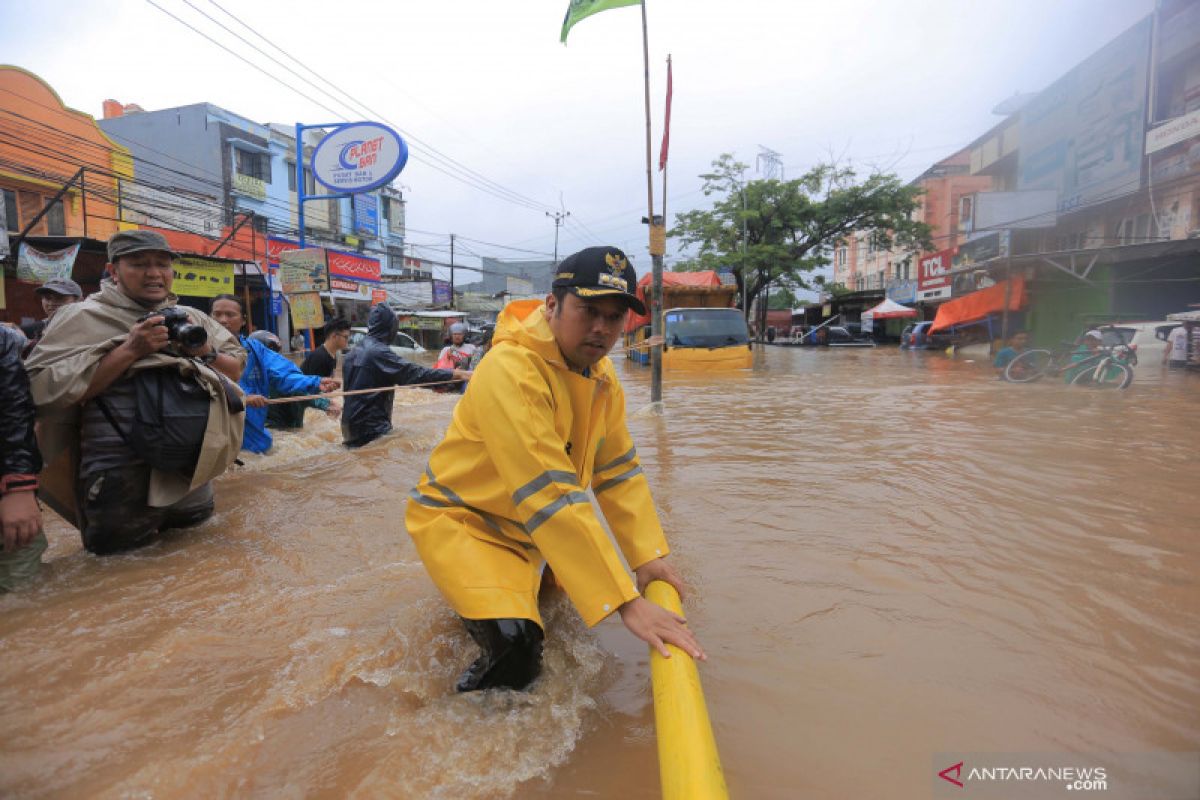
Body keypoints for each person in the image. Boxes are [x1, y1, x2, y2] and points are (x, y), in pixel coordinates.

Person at [406, 245, 705, 693]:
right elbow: (549, 489)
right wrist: (626, 601)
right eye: (588, 310)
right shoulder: (511, 369)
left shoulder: (601, 377)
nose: (601, 328)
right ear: (552, 306)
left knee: (555, 615)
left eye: (614, 316)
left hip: (529, 529)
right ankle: (458, 730)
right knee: (518, 648)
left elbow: (618, 471)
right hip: (468, 526)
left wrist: (646, 557)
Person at [25, 230, 246, 555]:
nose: (154, 273)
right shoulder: (82, 317)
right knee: (118, 576)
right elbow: (41, 391)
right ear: (113, 271)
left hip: (192, 472)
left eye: (162, 264)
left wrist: (204, 351)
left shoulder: (193, 318)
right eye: (140, 264)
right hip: (119, 478)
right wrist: (130, 350)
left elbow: (235, 368)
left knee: (201, 563)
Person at [209, 295, 338, 454]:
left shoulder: (256, 350)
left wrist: (315, 382)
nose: (222, 320)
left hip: (253, 439)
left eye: (229, 315)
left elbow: (284, 374)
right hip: (213, 439)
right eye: (217, 314)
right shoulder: (196, 350)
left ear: (243, 320)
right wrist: (243, 399)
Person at [340, 303, 471, 448]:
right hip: (371, 428)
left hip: (348, 427)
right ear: (390, 328)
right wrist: (456, 374)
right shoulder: (378, 353)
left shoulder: (352, 352)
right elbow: (415, 374)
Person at [0, 324, 44, 591]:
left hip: (8, 497)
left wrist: (19, 488)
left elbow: (14, 414)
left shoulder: (5, 340)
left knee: (21, 599)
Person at [21, 277, 83, 356]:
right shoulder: (33, 330)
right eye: (47, 297)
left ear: (80, 300)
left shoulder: (89, 327)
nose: (51, 303)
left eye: (60, 297)